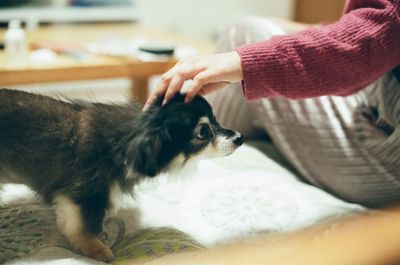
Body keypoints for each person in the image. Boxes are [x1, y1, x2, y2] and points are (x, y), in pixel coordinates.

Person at [144, 0, 400, 208]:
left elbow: (375, 37)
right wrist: (298, 30)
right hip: (375, 100)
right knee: (248, 32)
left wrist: (245, 62)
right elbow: (371, 30)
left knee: (241, 35)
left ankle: (202, 181)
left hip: (387, 144)